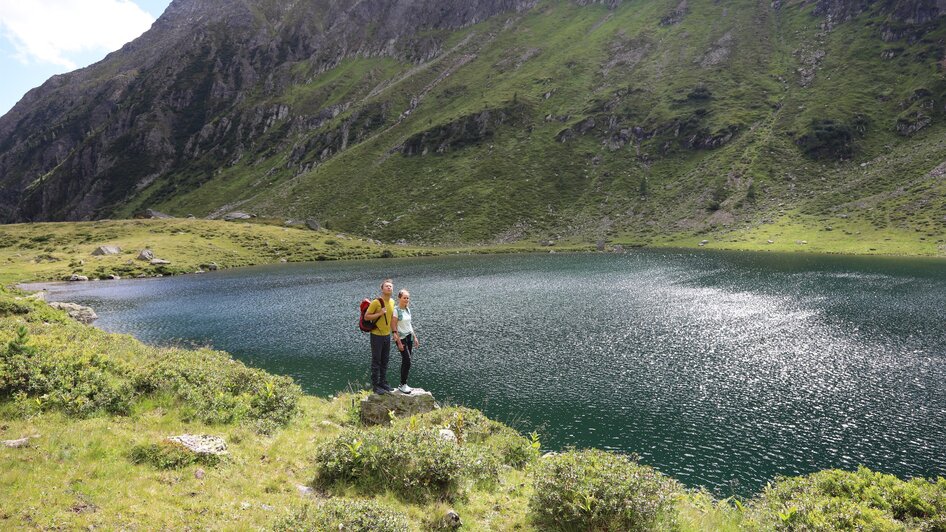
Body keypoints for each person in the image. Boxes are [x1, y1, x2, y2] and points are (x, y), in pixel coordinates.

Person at [364, 279, 395, 394]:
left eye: (391, 286)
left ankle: (383, 382)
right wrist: (379, 313)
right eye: (387, 286)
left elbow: (391, 319)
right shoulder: (376, 302)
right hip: (376, 336)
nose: (389, 288)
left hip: (387, 336)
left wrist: (395, 333)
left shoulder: (392, 301)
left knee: (385, 360)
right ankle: (375, 386)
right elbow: (367, 317)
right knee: (376, 361)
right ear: (382, 289)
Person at [390, 289, 419, 394]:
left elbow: (409, 325)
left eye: (407, 298)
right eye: (404, 298)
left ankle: (403, 384)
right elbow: (393, 325)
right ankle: (403, 384)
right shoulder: (396, 310)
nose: (406, 299)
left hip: (409, 337)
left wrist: (415, 337)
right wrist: (398, 342)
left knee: (407, 361)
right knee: (407, 360)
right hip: (401, 338)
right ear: (399, 298)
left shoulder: (407, 309)